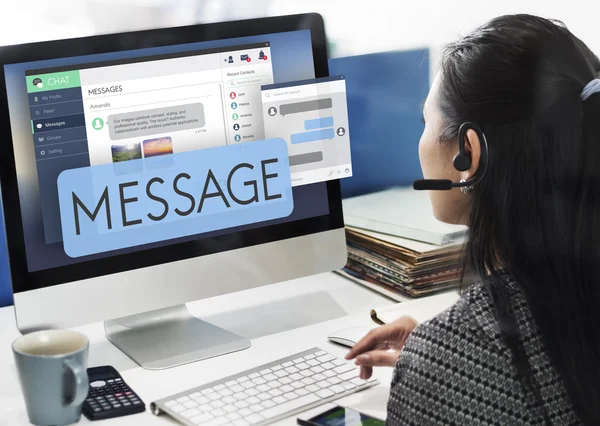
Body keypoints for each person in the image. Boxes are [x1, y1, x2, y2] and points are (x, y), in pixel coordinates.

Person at [346, 14, 600, 425]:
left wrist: (447, 358)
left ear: (468, 153)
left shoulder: (449, 360)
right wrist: (454, 347)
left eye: (425, 123)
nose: (421, 140)